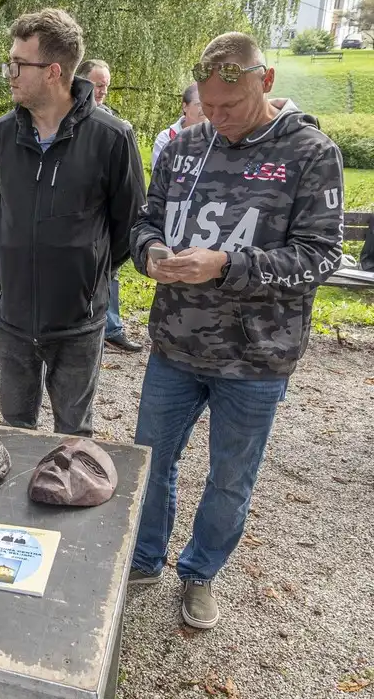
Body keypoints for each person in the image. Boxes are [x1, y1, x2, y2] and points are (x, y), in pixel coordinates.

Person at [128, 32, 344, 630]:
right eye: (209, 106)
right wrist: (147, 253)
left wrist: (227, 266)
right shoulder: (184, 145)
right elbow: (146, 218)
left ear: (266, 80)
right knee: (149, 462)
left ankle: (199, 575)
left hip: (256, 357)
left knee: (229, 479)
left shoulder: (311, 152)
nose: (218, 120)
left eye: (232, 106)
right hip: (175, 343)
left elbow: (323, 256)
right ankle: (143, 560)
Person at [0, 9, 146, 436]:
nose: (10, 73)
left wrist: (89, 271)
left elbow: (128, 224)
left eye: (19, 64)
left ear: (54, 71)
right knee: (14, 434)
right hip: (12, 319)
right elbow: (5, 215)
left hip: (78, 323)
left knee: (73, 438)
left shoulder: (111, 138)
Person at [76, 58, 142, 353]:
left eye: (106, 85)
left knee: (108, 275)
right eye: (98, 84)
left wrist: (111, 251)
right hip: (79, 231)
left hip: (104, 229)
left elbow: (130, 200)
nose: (102, 90)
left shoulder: (114, 125)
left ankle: (110, 327)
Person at [151, 83, 205, 170]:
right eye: (199, 104)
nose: (204, 109)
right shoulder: (166, 138)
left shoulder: (215, 138)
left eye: (207, 104)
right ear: (185, 107)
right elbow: (159, 176)